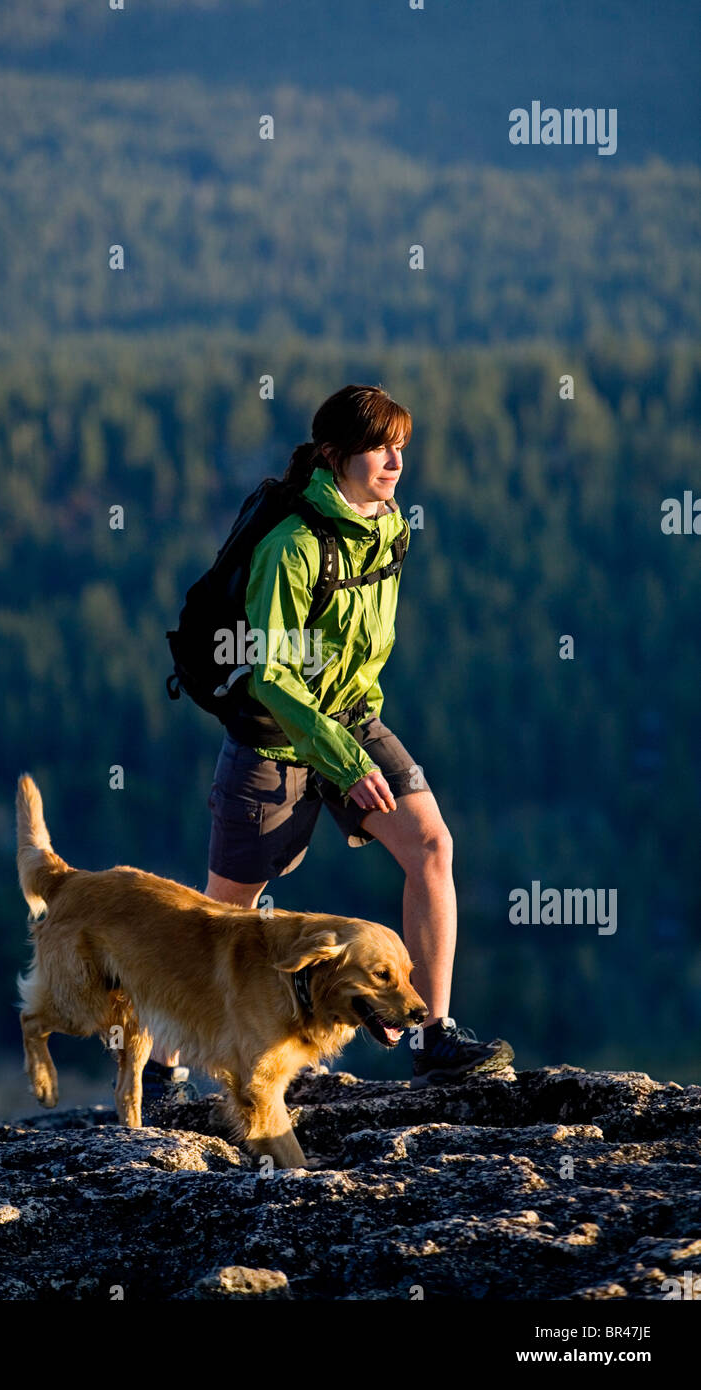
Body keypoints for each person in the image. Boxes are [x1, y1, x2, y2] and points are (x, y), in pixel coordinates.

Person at [144, 383, 513, 1101]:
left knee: (433, 847)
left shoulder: (387, 524)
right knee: (223, 916)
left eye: (401, 446)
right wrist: (345, 766)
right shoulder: (291, 546)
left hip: (350, 718)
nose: (396, 461)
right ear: (334, 455)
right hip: (275, 741)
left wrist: (357, 738)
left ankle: (433, 1034)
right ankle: (162, 1072)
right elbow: (274, 676)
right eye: (380, 447)